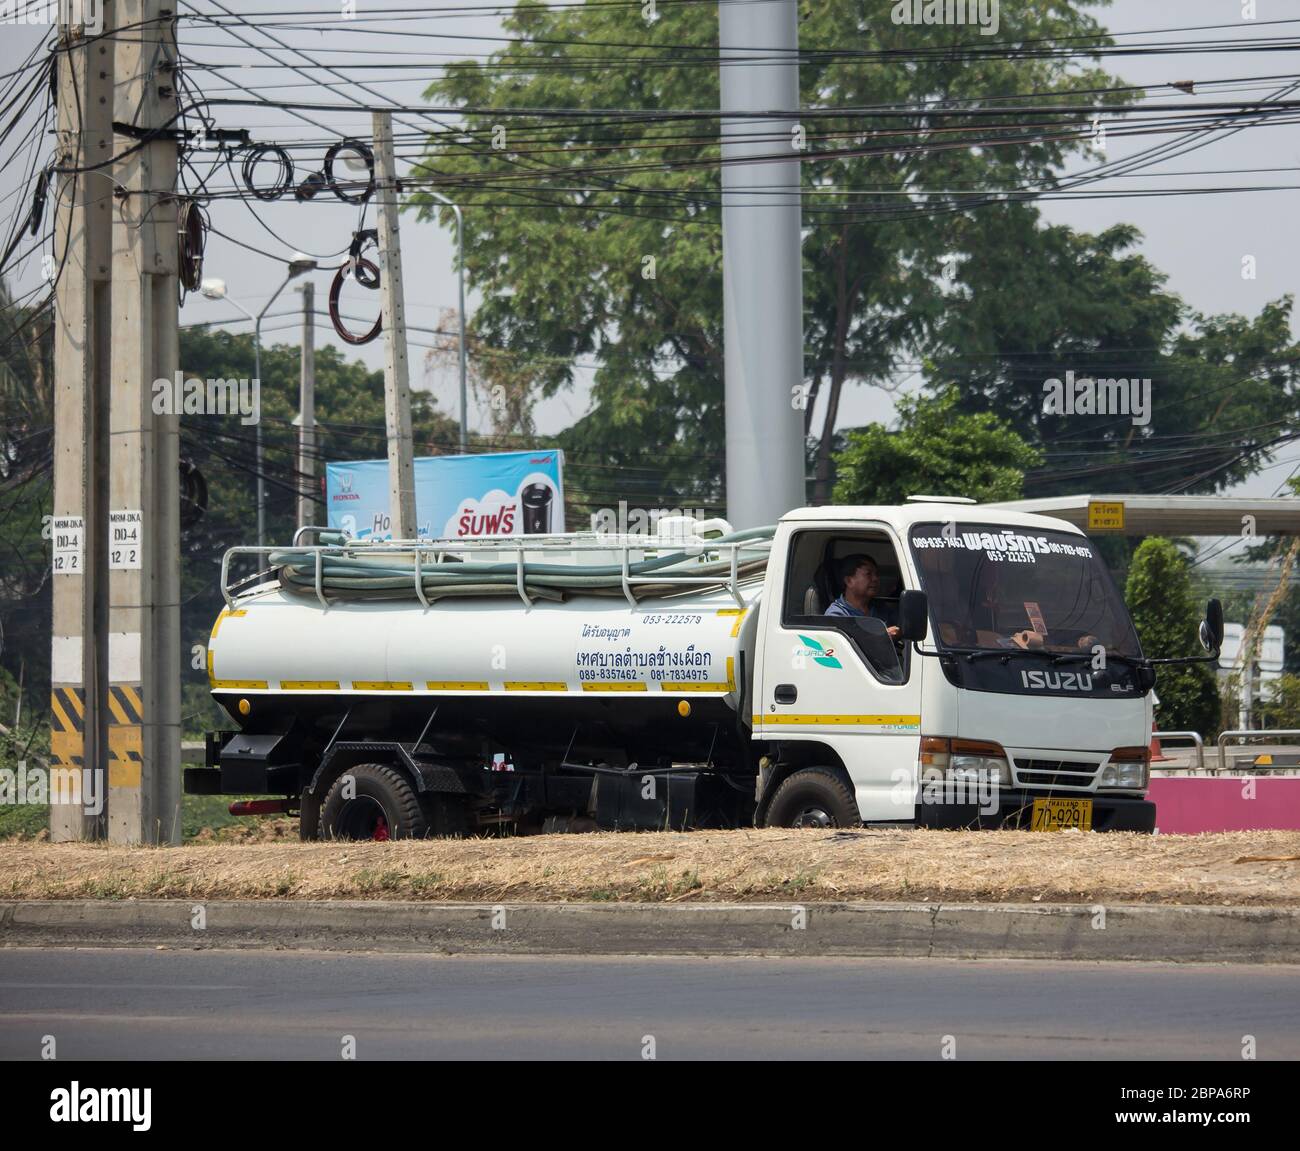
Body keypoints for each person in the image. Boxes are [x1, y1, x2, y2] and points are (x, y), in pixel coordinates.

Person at [825, 554, 900, 638]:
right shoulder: (836, 615)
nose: (875, 579)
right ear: (849, 581)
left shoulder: (881, 608)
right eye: (868, 574)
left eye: (876, 574)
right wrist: (882, 636)